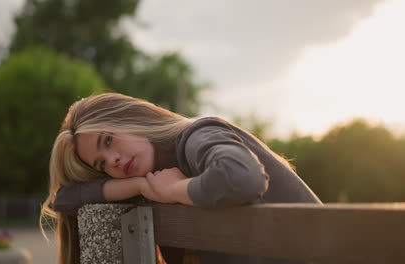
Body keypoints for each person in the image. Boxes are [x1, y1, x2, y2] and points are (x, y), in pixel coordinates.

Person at [40, 93, 322, 264]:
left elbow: (242, 178)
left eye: (109, 140)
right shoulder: (150, 181)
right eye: (102, 164)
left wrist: (176, 190)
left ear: (133, 119)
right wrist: (140, 186)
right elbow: (66, 199)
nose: (112, 160)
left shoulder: (196, 136)